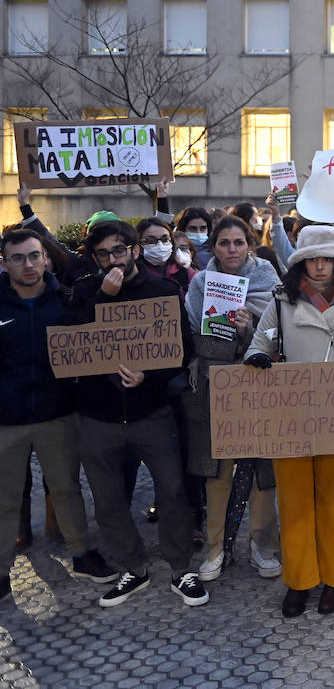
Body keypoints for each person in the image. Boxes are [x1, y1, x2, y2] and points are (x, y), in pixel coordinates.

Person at [244, 225, 334, 617]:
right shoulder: (281, 301)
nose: (320, 266)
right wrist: (257, 360)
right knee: (294, 502)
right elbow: (259, 345)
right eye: (313, 258)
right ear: (300, 261)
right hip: (290, 418)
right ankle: (300, 580)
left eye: (328, 258)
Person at [67, 221, 204, 608]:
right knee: (108, 498)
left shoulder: (163, 292)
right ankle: (132, 566)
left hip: (151, 413)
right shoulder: (84, 292)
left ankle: (180, 567)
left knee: (173, 491)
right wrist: (104, 299)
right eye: (103, 254)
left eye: (119, 251)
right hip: (98, 415)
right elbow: (70, 343)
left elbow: (181, 351)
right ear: (94, 258)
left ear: (134, 251)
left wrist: (150, 376)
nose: (112, 259)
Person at [0, 228, 118, 601]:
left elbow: (91, 337)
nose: (28, 264)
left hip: (58, 413)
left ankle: (82, 553)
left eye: (34, 256)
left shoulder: (65, 299)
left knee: (66, 488)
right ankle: (1, 571)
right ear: (5, 263)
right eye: (18, 258)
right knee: (5, 498)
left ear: (46, 259)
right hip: (6, 419)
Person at [184, 216, 283, 584]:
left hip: (259, 387)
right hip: (216, 387)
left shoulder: (269, 279)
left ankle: (263, 547)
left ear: (250, 244)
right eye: (224, 243)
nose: (231, 250)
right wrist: (231, 336)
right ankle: (215, 549)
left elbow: (277, 336)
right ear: (214, 246)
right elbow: (200, 342)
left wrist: (249, 329)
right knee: (219, 472)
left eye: (238, 242)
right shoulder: (200, 284)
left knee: (261, 472)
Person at [136, 217, 195, 295]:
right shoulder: (131, 277)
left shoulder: (187, 274)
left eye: (165, 240)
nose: (160, 246)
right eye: (150, 241)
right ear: (138, 247)